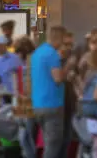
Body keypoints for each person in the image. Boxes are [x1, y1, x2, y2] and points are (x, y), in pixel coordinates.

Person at [31, 25, 72, 158]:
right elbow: (58, 78)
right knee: (54, 145)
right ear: (59, 38)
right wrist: (68, 66)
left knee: (49, 143)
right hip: (52, 104)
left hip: (38, 104)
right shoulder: (52, 54)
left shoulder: (38, 52)